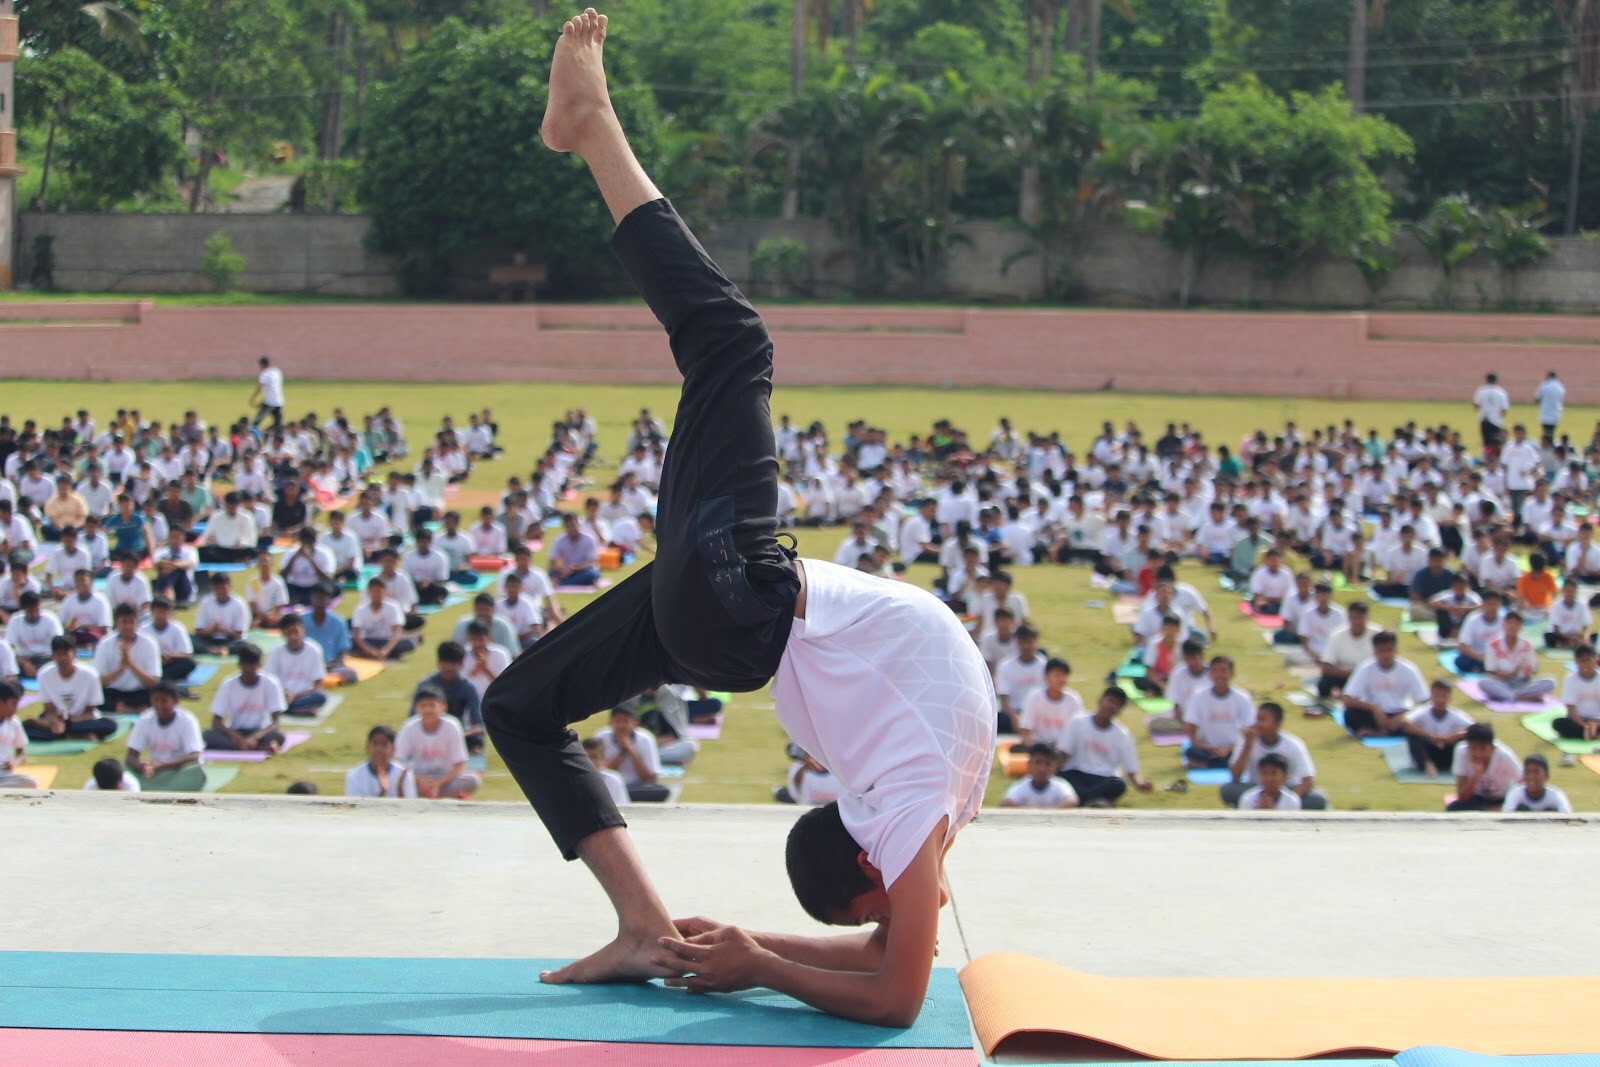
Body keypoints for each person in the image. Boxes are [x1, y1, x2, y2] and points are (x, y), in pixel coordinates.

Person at [483, 16, 994, 1023]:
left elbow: (895, 992)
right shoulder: (908, 812)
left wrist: (759, 959)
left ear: (867, 860)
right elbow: (886, 960)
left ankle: (592, 127)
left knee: (730, 341)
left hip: (740, 603)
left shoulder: (903, 814)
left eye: (878, 906)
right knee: (519, 706)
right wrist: (749, 948)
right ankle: (644, 925)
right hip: (729, 608)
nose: (903, 919)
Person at [1055, 688, 1152, 807]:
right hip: (1076, 773)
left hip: (1103, 778)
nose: (1112, 706)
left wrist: (1141, 784)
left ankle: (1080, 800)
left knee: (1119, 785)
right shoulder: (1077, 722)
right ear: (1100, 701)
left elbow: (1131, 771)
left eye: (1117, 705)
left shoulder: (1122, 734)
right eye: (1110, 701)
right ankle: (1095, 802)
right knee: (1060, 777)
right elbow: (1063, 754)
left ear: (1119, 710)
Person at [1222, 701, 1326, 809]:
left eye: (1262, 720)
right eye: (1257, 719)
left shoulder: (1293, 744)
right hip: (1256, 790)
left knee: (1318, 799)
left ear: (1277, 724)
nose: (1257, 724)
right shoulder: (1247, 740)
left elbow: (1308, 781)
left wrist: (1285, 801)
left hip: (1286, 790)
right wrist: (1248, 745)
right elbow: (1235, 775)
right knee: (1228, 789)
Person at [395, 686, 479, 798]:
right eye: (423, 706)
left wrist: (438, 784)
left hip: (445, 778)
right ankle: (438, 794)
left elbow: (459, 765)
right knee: (397, 779)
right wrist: (419, 781)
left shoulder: (452, 726)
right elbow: (397, 762)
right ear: (416, 709)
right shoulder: (409, 727)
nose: (427, 710)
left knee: (472, 781)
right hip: (418, 777)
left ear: (443, 707)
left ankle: (431, 793)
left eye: (432, 705)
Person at [28, 635, 116, 741]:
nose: (62, 658)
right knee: (26, 729)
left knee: (109, 725)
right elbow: (49, 710)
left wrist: (70, 721)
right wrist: (55, 722)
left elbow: (90, 711)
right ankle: (76, 735)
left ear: (74, 654)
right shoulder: (44, 674)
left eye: (65, 654)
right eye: (58, 655)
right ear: (53, 656)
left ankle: (64, 734)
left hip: (81, 719)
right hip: (56, 719)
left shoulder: (90, 675)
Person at [1340, 631, 1428, 737]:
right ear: (1374, 652)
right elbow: (1347, 698)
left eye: (1389, 650)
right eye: (1381, 651)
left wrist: (1402, 717)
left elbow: (1425, 702)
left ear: (1396, 650)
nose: (1386, 655)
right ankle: (1382, 731)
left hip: (1400, 712)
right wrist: (1374, 708)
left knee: (1421, 719)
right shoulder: (1366, 668)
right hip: (1373, 714)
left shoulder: (1409, 669)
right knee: (1349, 714)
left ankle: (1378, 732)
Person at [204, 643, 288, 754]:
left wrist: (256, 737)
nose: (248, 669)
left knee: (279, 736)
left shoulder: (271, 683)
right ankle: (257, 747)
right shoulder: (228, 684)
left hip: (261, 731)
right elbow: (216, 721)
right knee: (207, 735)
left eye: (252, 665)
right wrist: (235, 736)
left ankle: (249, 746)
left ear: (259, 665)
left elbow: (276, 722)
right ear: (239, 664)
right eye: (245, 665)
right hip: (236, 730)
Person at [125, 681, 207, 792]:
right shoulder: (145, 719)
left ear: (176, 701)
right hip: (154, 772)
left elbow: (195, 755)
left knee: (195, 771)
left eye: (164, 701)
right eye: (155, 700)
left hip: (180, 771)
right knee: (125, 770)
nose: (159, 705)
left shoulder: (188, 721)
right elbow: (131, 756)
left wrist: (163, 766)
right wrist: (142, 767)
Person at [1181, 655, 1253, 769]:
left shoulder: (1243, 698)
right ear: (1209, 674)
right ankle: (1221, 764)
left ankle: (1213, 764)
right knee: (1191, 752)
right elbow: (1191, 730)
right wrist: (1206, 747)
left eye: (1223, 671)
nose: (1219, 675)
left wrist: (1229, 748)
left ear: (1232, 673)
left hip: (1233, 749)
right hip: (1207, 750)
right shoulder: (1198, 697)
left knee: (1247, 753)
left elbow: (1249, 730)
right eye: (1215, 671)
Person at [413, 642, 486, 753]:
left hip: (459, 734)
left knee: (477, 740)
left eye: (453, 664)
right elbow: (413, 717)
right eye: (445, 663)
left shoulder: (468, 687)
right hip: (428, 733)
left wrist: (459, 734)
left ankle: (474, 760)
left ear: (461, 664)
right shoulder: (425, 685)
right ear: (438, 662)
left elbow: (478, 723)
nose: (448, 667)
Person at [91, 604, 162, 712]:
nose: (128, 626)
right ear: (116, 623)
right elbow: (96, 680)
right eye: (124, 622)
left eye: (131, 622)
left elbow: (153, 682)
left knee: (159, 693)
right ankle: (126, 709)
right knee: (94, 695)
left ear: (137, 623)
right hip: (114, 692)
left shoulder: (149, 643)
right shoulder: (105, 643)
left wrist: (130, 662)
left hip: (139, 692)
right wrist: (119, 671)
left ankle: (124, 708)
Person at [1401, 680, 1475, 777]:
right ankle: (1428, 765)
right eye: (1437, 696)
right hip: (1427, 752)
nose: (1440, 700)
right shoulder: (1423, 711)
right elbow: (1405, 723)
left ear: (1449, 699)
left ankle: (1462, 766)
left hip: (1447, 752)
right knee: (1413, 735)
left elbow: (1476, 728)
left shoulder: (1455, 714)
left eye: (1444, 696)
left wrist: (1456, 735)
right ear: (1431, 696)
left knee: (1468, 737)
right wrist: (1430, 736)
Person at [596, 703, 667, 802]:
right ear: (610, 723)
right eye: (617, 721)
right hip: (611, 786)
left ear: (635, 723)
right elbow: (600, 771)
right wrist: (621, 754)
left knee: (660, 791)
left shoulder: (646, 739)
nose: (621, 726)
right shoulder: (601, 737)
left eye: (626, 721)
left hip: (636, 787)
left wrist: (631, 751)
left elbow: (650, 778)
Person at [1479, 611, 1554, 704]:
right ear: (1503, 624)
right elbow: (1490, 671)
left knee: (1550, 681)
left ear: (1521, 626)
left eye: (1516, 623)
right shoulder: (1494, 643)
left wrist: (1528, 673)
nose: (1512, 626)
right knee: (1484, 682)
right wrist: (1511, 674)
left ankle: (1512, 696)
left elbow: (1532, 671)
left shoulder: (1527, 644)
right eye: (1510, 623)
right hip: (1502, 682)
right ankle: (1521, 697)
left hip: (1522, 683)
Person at [1448, 722, 1521, 812]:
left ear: (1492, 748)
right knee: (1454, 808)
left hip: (1502, 799)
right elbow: (1462, 797)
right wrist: (1476, 774)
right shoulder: (1461, 752)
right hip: (1477, 799)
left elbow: (1522, 780)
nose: (1478, 754)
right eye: (1473, 748)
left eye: (1483, 748)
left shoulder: (1504, 756)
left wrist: (1505, 806)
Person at [265, 613, 329, 716]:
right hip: (282, 696)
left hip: (303, 695)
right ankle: (295, 710)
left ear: (303, 631)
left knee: (321, 697)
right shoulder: (276, 652)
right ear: (283, 634)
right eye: (288, 633)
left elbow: (318, 685)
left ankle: (285, 710)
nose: (293, 637)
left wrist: (295, 696)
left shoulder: (314, 650)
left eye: (296, 632)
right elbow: (268, 680)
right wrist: (282, 694)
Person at [1017, 657, 1081, 751]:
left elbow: (1077, 733)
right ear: (1046, 677)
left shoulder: (1073, 700)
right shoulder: (1034, 697)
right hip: (1038, 746)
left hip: (1063, 749)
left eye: (1064, 675)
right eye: (1057, 675)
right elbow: (1025, 731)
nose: (1061, 679)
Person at [301, 588, 359, 686]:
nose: (320, 602)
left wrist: (328, 665)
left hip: (331, 665)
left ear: (330, 601)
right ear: (311, 599)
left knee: (352, 674)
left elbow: (343, 652)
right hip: (306, 664)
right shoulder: (301, 621)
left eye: (324, 599)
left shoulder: (339, 622)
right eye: (317, 598)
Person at [1317, 601, 1375, 700]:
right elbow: (1326, 668)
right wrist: (1354, 674)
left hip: (1369, 678)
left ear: (1367, 618)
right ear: (1348, 618)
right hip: (1343, 676)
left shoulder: (1376, 635)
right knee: (1324, 685)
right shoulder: (1337, 635)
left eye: (1360, 618)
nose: (1357, 622)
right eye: (1354, 618)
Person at [993, 625, 1046, 733]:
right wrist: (1014, 718)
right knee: (997, 720)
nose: (1026, 646)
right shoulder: (1005, 665)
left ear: (1036, 642)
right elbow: (1004, 701)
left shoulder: (1044, 665)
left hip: (1038, 712)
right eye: (1022, 642)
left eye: (1029, 642)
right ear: (1016, 643)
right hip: (1014, 712)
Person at [350, 577, 417, 660]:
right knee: (349, 642)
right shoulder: (360, 609)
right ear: (369, 592)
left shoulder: (393, 607)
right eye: (374, 591)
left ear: (385, 592)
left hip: (387, 640)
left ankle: (379, 654)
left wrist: (386, 650)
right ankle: (386, 654)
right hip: (368, 640)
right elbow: (356, 634)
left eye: (379, 591)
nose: (377, 594)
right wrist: (369, 650)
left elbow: (397, 631)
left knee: (410, 643)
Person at [344, 724, 418, 799]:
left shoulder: (403, 773)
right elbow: (355, 805)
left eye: (384, 744)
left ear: (393, 749)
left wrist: (400, 789)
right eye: (375, 744)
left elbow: (411, 804)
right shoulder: (354, 775)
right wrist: (382, 792)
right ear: (367, 747)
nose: (379, 749)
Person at [1001, 744, 1078, 809]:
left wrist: (1047, 813)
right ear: (1029, 764)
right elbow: (1006, 802)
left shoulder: (1060, 785)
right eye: (1038, 762)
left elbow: (1071, 800)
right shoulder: (1020, 786)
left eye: (1047, 763)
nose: (1042, 769)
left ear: (1055, 767)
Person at [6, 592, 64, 677]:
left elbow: (59, 643)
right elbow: (9, 647)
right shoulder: (15, 620)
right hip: (24, 660)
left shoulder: (51, 619)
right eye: (30, 610)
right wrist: (24, 663)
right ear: (23, 609)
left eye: (36, 609)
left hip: (46, 658)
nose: (34, 613)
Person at [193, 573, 251, 656]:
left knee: (243, 644)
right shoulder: (206, 602)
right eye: (217, 588)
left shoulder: (239, 604)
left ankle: (225, 650)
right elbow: (198, 631)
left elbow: (239, 633)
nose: (220, 591)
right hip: (209, 640)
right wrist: (210, 630)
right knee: (191, 639)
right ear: (212, 588)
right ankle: (211, 650)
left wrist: (223, 630)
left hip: (230, 641)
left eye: (223, 588)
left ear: (230, 587)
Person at [1553, 642, 1600, 742]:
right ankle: (1591, 733)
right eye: (1581, 661)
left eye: (1588, 660)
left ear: (1595, 660)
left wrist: (1596, 724)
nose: (1585, 665)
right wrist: (1585, 726)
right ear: (1576, 663)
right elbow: (1571, 712)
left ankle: (1589, 733)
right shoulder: (1570, 679)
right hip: (1578, 720)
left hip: (1597, 721)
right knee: (1557, 723)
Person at [281, 529, 337, 607]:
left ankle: (302, 600)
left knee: (335, 587)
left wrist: (311, 559)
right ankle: (301, 600)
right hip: (296, 586)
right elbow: (282, 576)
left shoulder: (324, 553)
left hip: (315, 586)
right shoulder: (291, 553)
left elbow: (328, 578)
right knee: (282, 588)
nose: (307, 545)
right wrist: (294, 558)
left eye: (309, 542)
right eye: (304, 542)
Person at [58, 569, 112, 648]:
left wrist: (82, 627)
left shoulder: (100, 601)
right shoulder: (68, 600)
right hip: (75, 636)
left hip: (95, 639)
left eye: (83, 581)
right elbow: (60, 625)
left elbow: (104, 629)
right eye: (78, 581)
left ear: (91, 582)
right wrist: (69, 626)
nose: (80, 584)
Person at [461, 620, 513, 701]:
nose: (477, 644)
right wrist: (475, 670)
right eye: (474, 640)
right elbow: (459, 684)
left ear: (489, 637)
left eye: (481, 640)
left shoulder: (501, 654)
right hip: (469, 699)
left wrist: (486, 669)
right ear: (469, 638)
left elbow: (505, 684)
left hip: (495, 698)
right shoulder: (462, 654)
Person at [0, 682, 39, 788]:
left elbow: (21, 754)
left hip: (4, 775)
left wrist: (14, 762)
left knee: (30, 782)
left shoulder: (14, 722)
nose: (16, 709)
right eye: (13, 704)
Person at [1502, 753, 1571, 813]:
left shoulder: (1555, 795)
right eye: (1527, 772)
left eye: (1536, 772)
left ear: (1546, 776)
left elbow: (1568, 817)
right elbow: (1506, 816)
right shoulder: (1516, 793)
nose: (1531, 777)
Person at [247, 549, 290, 630]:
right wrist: (264, 617)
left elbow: (279, 605)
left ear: (271, 563)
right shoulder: (252, 582)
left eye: (266, 561)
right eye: (261, 561)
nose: (264, 564)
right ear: (257, 564)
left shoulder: (278, 582)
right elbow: (253, 605)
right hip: (258, 616)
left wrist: (272, 617)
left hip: (274, 616)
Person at [584, 736, 630, 806]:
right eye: (587, 757)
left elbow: (622, 807)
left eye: (595, 757)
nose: (591, 762)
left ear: (603, 759)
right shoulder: (573, 778)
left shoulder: (613, 780)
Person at [1473, 372, 1509, 453]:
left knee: (1486, 442)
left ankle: (1487, 455)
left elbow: (1476, 406)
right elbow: (1504, 409)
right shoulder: (1501, 392)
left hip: (1484, 419)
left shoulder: (1481, 390)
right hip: (1496, 421)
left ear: (1487, 380)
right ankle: (1495, 456)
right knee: (1496, 442)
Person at [250, 355, 286, 431]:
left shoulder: (265, 373)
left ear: (262, 365)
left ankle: (257, 436)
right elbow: (274, 387)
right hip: (279, 401)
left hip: (270, 403)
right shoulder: (277, 371)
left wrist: (252, 399)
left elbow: (259, 388)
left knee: (256, 422)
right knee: (278, 425)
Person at [1535, 370, 1565, 443]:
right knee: (1551, 433)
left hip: (1545, 414)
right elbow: (1561, 400)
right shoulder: (1560, 387)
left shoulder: (1544, 386)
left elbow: (1537, 400)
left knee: (1545, 434)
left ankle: (1547, 446)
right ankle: (1550, 445)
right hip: (1555, 414)